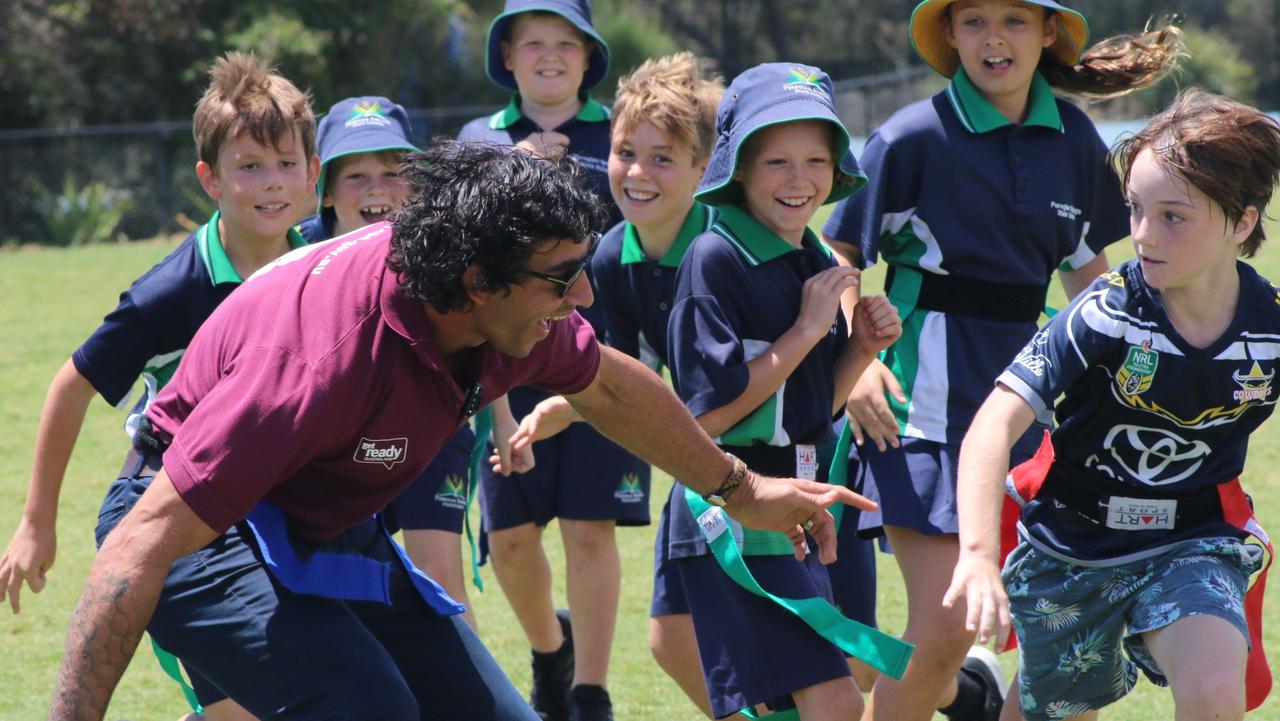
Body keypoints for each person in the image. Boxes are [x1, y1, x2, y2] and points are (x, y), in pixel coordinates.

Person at [47, 141, 873, 721]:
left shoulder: (510, 307)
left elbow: (616, 389)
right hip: (201, 531)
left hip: (321, 524)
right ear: (476, 283)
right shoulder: (319, 363)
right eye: (561, 278)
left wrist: (745, 487)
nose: (583, 298)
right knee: (369, 707)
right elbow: (134, 552)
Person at [821, 2, 1182, 719]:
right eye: (975, 20)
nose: (995, 38)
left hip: (1034, 401)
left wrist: (1146, 378)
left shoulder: (1075, 139)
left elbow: (1090, 279)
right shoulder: (910, 137)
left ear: (1047, 33)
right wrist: (855, 361)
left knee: (1068, 635)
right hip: (919, 406)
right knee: (946, 627)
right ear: (949, 36)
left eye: (1015, 20)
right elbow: (837, 258)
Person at [944, 87, 1280, 721]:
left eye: (1173, 216)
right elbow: (994, 424)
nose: (1143, 236)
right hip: (1070, 545)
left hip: (1193, 538)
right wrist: (978, 556)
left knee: (1214, 692)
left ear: (1242, 221)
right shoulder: (1107, 313)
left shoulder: (1271, 328)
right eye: (1135, 210)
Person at [1, 52, 317, 721]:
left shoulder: (319, 260)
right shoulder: (172, 293)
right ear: (210, 178)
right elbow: (70, 385)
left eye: (288, 163)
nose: (273, 183)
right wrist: (35, 522)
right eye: (250, 166)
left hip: (274, 515)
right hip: (171, 527)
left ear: (313, 172)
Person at [655, 61, 901, 721]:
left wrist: (858, 349)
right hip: (734, 505)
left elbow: (813, 409)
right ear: (737, 166)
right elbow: (705, 416)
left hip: (795, 498)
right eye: (777, 162)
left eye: (817, 161)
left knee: (804, 697)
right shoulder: (715, 258)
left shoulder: (816, 258)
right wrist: (807, 328)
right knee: (834, 700)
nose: (800, 181)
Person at [459, 3, 645, 719]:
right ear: (505, 55)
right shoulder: (482, 139)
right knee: (508, 538)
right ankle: (549, 652)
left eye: (566, 44)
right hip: (503, 368)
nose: (548, 57)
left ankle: (590, 691)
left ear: (589, 56)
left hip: (596, 370)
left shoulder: (620, 138)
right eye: (531, 43)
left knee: (589, 528)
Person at [296, 95, 482, 630]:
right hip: (332, 436)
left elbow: (486, 335)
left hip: (432, 424)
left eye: (393, 170)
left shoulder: (443, 250)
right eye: (356, 174)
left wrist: (505, 417)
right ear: (325, 190)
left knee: (438, 574)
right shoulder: (296, 254)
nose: (377, 188)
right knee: (338, 583)